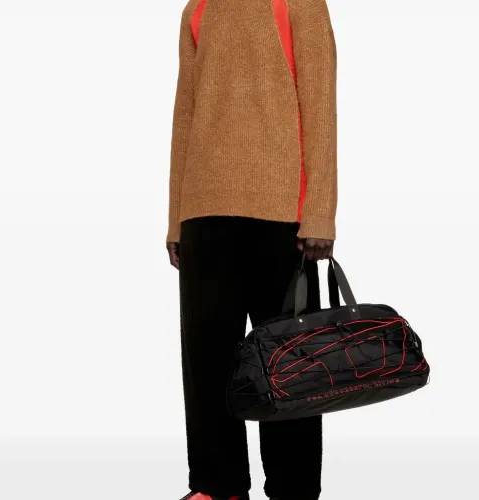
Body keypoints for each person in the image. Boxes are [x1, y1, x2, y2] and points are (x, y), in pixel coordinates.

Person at [166, 0, 337, 499]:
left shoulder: (301, 2)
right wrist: (176, 218)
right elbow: (184, 113)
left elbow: (321, 104)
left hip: (283, 213)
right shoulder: (197, 8)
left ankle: (293, 488)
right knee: (207, 359)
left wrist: (320, 211)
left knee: (290, 363)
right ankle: (217, 486)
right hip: (203, 209)